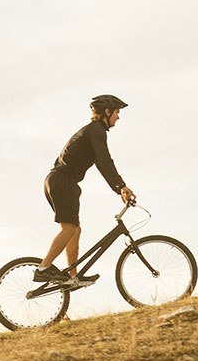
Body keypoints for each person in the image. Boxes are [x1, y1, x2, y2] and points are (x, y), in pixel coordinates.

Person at [33, 95, 138, 286]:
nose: (118, 117)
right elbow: (104, 161)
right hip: (62, 182)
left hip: (61, 182)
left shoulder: (93, 131)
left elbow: (102, 162)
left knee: (74, 229)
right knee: (69, 229)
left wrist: (119, 187)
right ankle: (43, 269)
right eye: (117, 113)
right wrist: (121, 187)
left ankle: (73, 276)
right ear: (107, 112)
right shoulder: (97, 131)